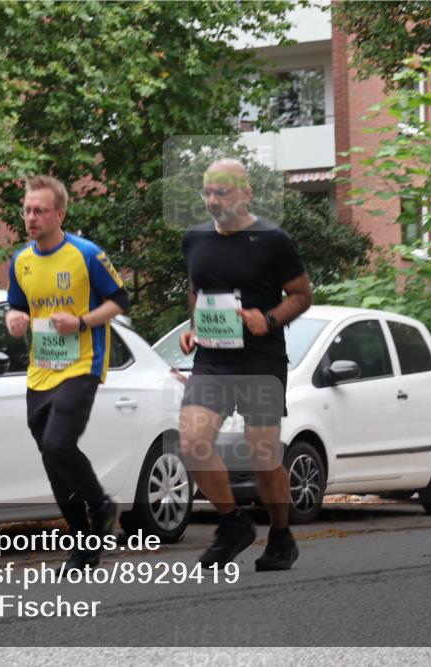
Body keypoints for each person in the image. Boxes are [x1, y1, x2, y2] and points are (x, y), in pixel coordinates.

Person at [179, 159, 313, 571]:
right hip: (212, 359)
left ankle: (280, 535)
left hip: (261, 358)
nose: (214, 200)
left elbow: (302, 295)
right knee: (192, 443)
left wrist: (268, 319)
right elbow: (197, 289)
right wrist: (192, 327)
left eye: (224, 191)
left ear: (246, 193)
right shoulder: (195, 238)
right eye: (208, 192)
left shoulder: (273, 240)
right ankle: (233, 523)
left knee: (262, 453)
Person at [5, 174, 130, 571]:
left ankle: (102, 507)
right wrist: (15, 319)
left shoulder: (86, 254)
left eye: (39, 210)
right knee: (50, 456)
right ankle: (83, 544)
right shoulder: (21, 261)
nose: (31, 217)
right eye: (26, 210)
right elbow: (15, 306)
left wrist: (81, 322)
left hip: (82, 363)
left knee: (59, 444)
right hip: (41, 368)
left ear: (60, 213)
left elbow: (120, 300)